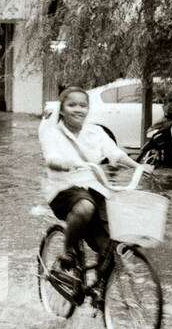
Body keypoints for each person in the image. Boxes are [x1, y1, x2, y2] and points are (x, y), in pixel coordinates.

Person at [39, 85, 140, 271]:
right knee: (85, 206)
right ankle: (67, 250)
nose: (78, 109)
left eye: (83, 106)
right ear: (62, 109)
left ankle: (99, 296)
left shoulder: (96, 132)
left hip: (96, 191)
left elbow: (115, 154)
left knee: (112, 248)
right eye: (72, 105)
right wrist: (66, 164)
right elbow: (51, 159)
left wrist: (138, 166)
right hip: (64, 190)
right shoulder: (51, 133)